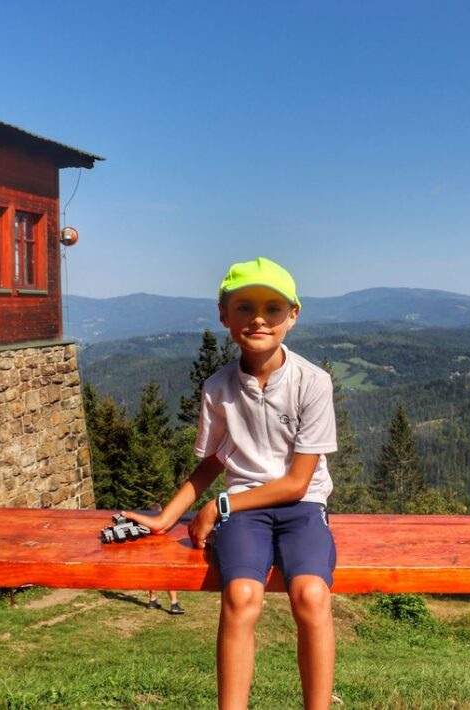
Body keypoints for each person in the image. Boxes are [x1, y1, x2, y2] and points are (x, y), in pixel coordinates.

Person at [126, 257, 338, 710]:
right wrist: (165, 517)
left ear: (293, 315)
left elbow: (298, 483)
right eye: (244, 307)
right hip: (243, 510)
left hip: (299, 508)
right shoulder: (217, 388)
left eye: (272, 308)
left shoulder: (312, 383)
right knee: (241, 595)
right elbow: (211, 462)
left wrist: (219, 507)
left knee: (311, 594)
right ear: (224, 314)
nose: (258, 318)